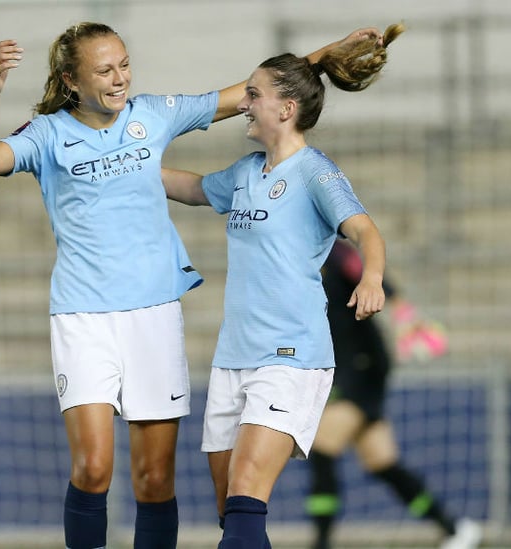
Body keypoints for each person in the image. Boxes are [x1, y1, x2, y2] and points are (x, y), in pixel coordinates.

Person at [0, 22, 383, 549]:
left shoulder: (154, 115)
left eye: (124, 64)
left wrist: (327, 55)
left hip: (156, 316)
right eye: (104, 70)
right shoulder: (47, 134)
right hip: (82, 316)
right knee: (94, 468)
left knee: (157, 481)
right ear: (71, 80)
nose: (119, 78)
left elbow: (252, 94)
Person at [161, 22, 405, 548]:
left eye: (253, 94)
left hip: (290, 356)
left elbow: (366, 230)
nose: (244, 103)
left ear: (286, 109)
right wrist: (129, 166)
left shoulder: (316, 172)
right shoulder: (247, 171)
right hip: (234, 357)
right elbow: (193, 188)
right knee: (234, 514)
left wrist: (373, 278)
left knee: (248, 494)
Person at [305, 238, 482, 549]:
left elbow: (363, 268)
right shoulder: (293, 262)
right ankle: (454, 528)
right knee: (382, 462)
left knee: (322, 450)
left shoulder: (330, 250)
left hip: (363, 366)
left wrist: (402, 308)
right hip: (347, 368)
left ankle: (321, 543)